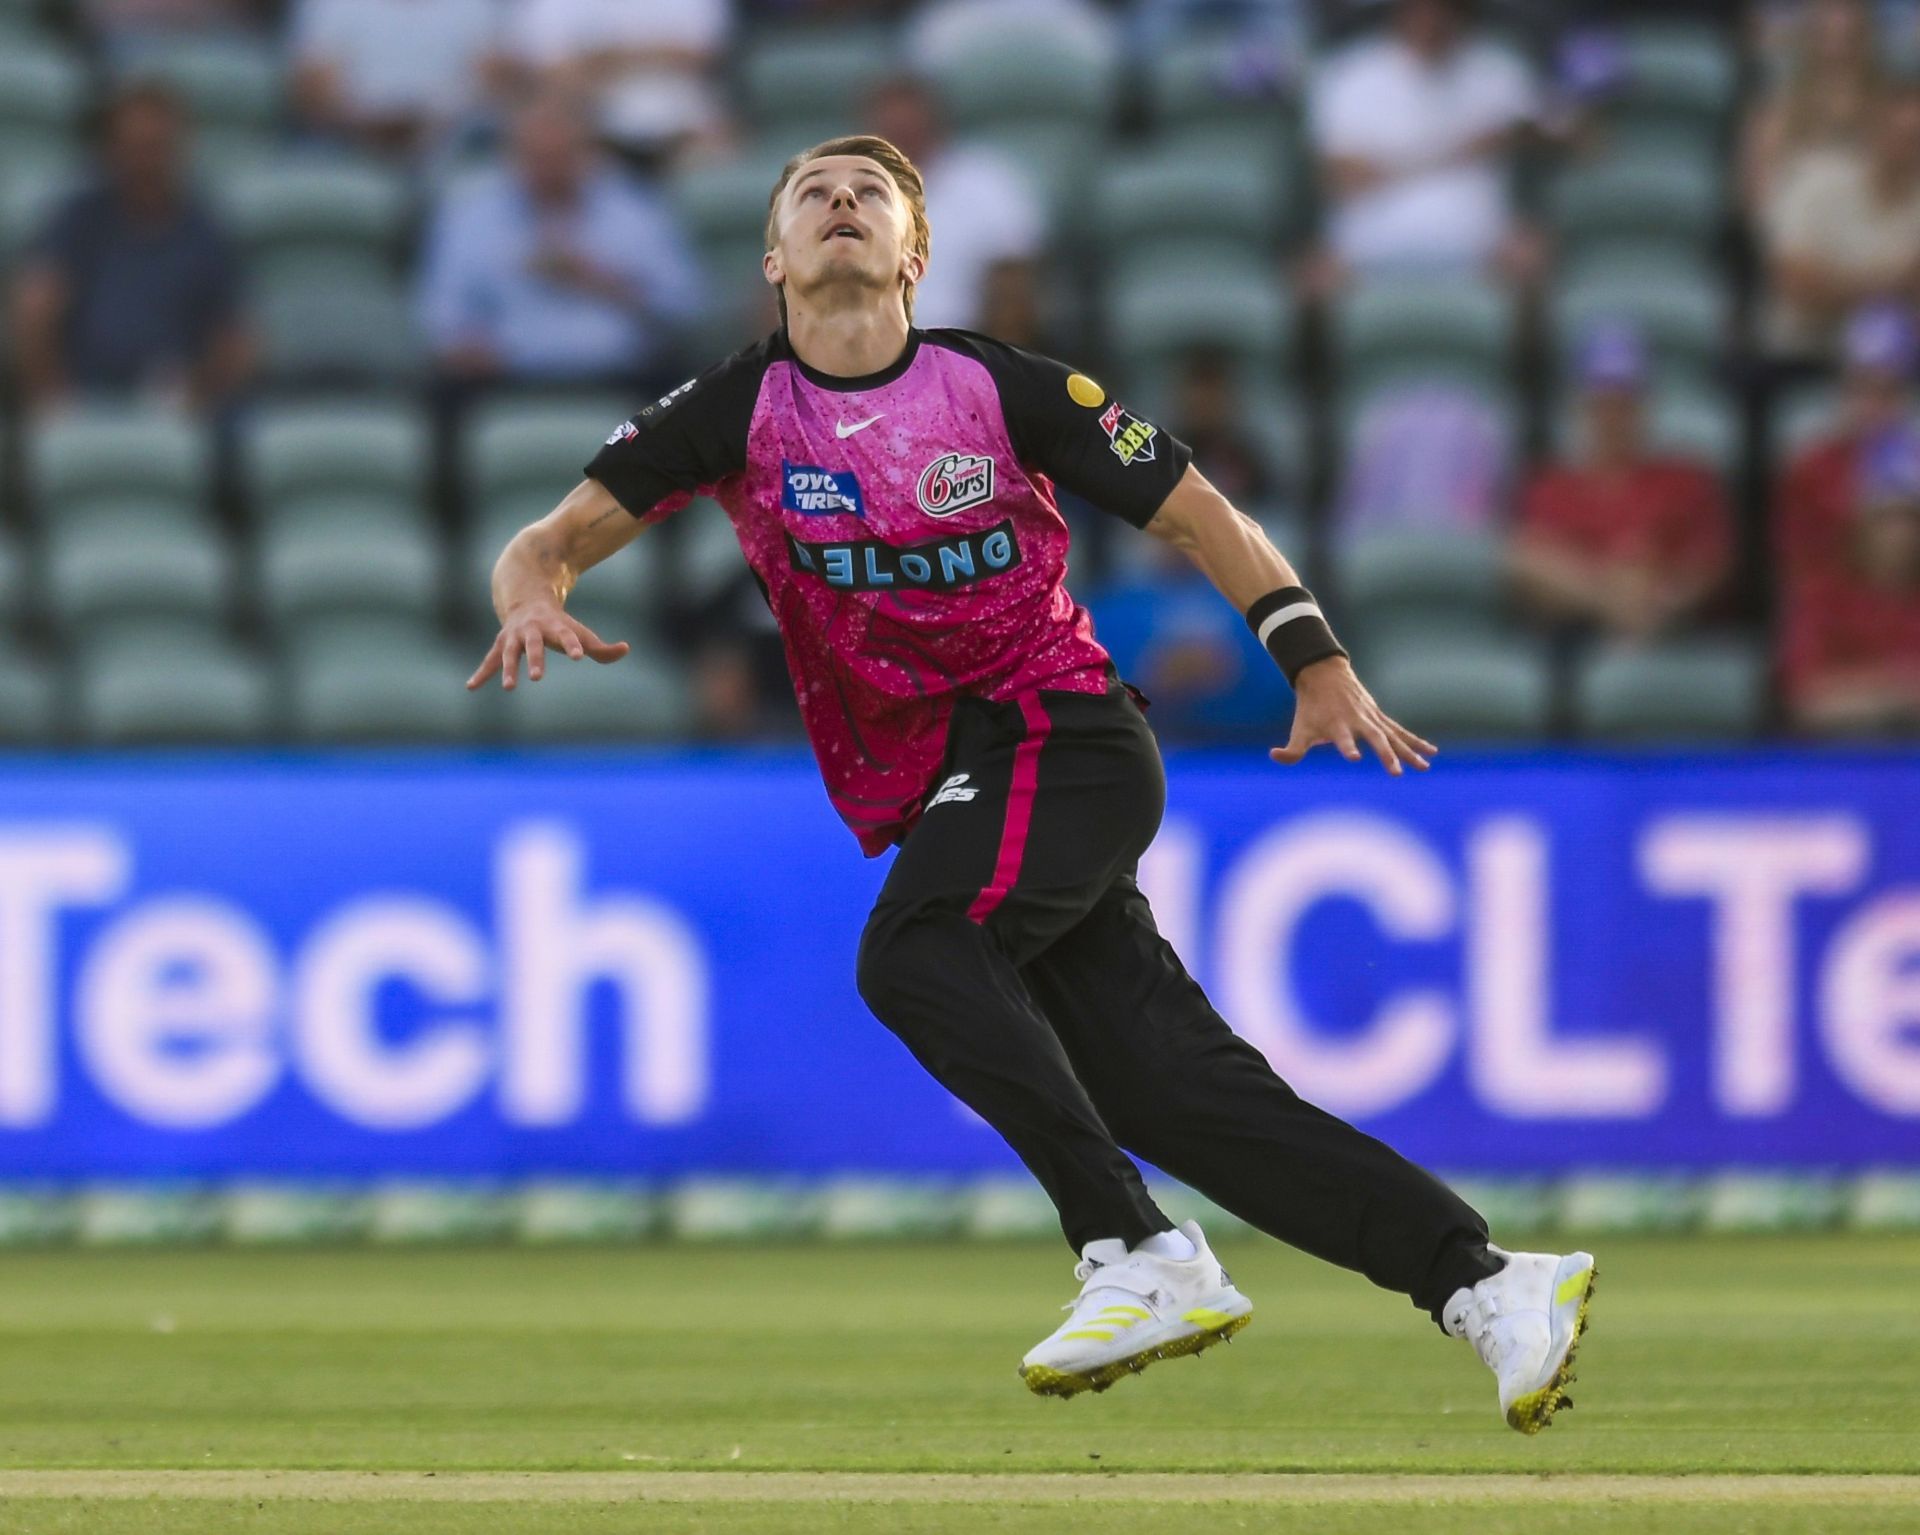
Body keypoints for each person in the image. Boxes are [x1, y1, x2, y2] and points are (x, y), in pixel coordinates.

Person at [466, 133, 1596, 1431]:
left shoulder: (1000, 387)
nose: (843, 205)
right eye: (814, 196)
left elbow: (1197, 512)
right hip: (964, 777)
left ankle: (1137, 1248)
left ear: (917, 253)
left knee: (916, 948)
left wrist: (1314, 656)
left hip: (1061, 732)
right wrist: (528, 597)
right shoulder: (731, 413)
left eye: (871, 195)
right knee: (1177, 1092)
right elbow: (544, 541)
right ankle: (1489, 1281)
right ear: (773, 256)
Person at [416, 93, 703, 386]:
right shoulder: (472, 218)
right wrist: (465, 346)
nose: (549, 169)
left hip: (622, 376)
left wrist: (600, 279)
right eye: (536, 157)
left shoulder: (636, 213)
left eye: (560, 155)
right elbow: (442, 311)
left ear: (587, 154)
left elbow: (684, 305)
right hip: (504, 377)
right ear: (513, 156)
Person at [10, 82, 253, 413]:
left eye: (156, 148)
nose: (146, 164)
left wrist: (200, 392)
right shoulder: (80, 220)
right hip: (85, 393)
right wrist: (55, 399)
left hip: (178, 399)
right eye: (134, 149)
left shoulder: (204, 228)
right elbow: (35, 308)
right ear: (111, 150)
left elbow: (235, 336)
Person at [1512, 323, 1732, 643]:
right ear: (1579, 406)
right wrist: (1611, 594)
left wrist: (1659, 594)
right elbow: (1529, 568)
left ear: (1646, 405)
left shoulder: (1686, 479)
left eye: (1625, 402)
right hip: (1575, 634)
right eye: (1602, 403)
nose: (1613, 416)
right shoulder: (1549, 487)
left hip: (1670, 630)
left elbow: (1710, 565)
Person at [1306, 0, 1540, 287]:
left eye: (1442, 9)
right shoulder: (1350, 72)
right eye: (1420, 8)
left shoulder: (1500, 69)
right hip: (1366, 245)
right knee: (1310, 277)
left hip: (1482, 241)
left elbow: (1578, 136)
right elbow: (1341, 177)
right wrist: (1464, 148)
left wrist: (1518, 135)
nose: (1430, 19)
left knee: (1533, 256)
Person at [864, 76, 1044, 337]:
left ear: (936, 121)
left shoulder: (988, 183)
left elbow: (1015, 289)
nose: (901, 137)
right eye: (891, 129)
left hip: (963, 348)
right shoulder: (843, 192)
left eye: (909, 126)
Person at [1762, 81, 1920, 364]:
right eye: (1900, 134)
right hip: (1803, 355)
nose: (1905, 148)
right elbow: (1796, 285)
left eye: (1914, 140)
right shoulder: (1815, 180)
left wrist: (1836, 283)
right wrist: (1894, 285)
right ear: (1875, 128)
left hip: (1898, 366)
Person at [1780, 421, 1920, 732]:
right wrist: (1899, 691)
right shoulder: (1822, 598)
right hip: (1840, 764)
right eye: (1887, 517)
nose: (1900, 533)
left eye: (1910, 517)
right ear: (1861, 523)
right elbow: (1806, 701)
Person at [1777, 302, 1920, 576]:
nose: (1873, 405)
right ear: (1843, 389)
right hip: (1834, 611)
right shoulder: (1811, 468)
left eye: (1888, 391)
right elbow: (1797, 568)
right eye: (1862, 388)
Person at [289, 0, 509, 160]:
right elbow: (313, 92)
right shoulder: (330, 6)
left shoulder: (477, 7)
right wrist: (369, 127)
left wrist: (429, 127)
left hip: (447, 143)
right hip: (349, 144)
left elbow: (491, 88)